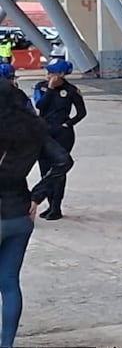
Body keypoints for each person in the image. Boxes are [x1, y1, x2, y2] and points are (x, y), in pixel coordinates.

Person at [0, 78, 73, 347]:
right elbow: (64, 161)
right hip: (20, 212)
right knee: (9, 283)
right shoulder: (34, 129)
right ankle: (6, 343)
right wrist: (38, 194)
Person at [32, 60, 86, 220]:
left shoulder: (71, 90)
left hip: (62, 133)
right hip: (44, 131)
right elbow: (40, 105)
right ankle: (48, 202)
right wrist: (50, 89)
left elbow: (81, 112)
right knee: (44, 168)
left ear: (61, 74)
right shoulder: (41, 87)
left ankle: (56, 207)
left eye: (52, 72)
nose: (48, 75)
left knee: (59, 169)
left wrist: (68, 123)